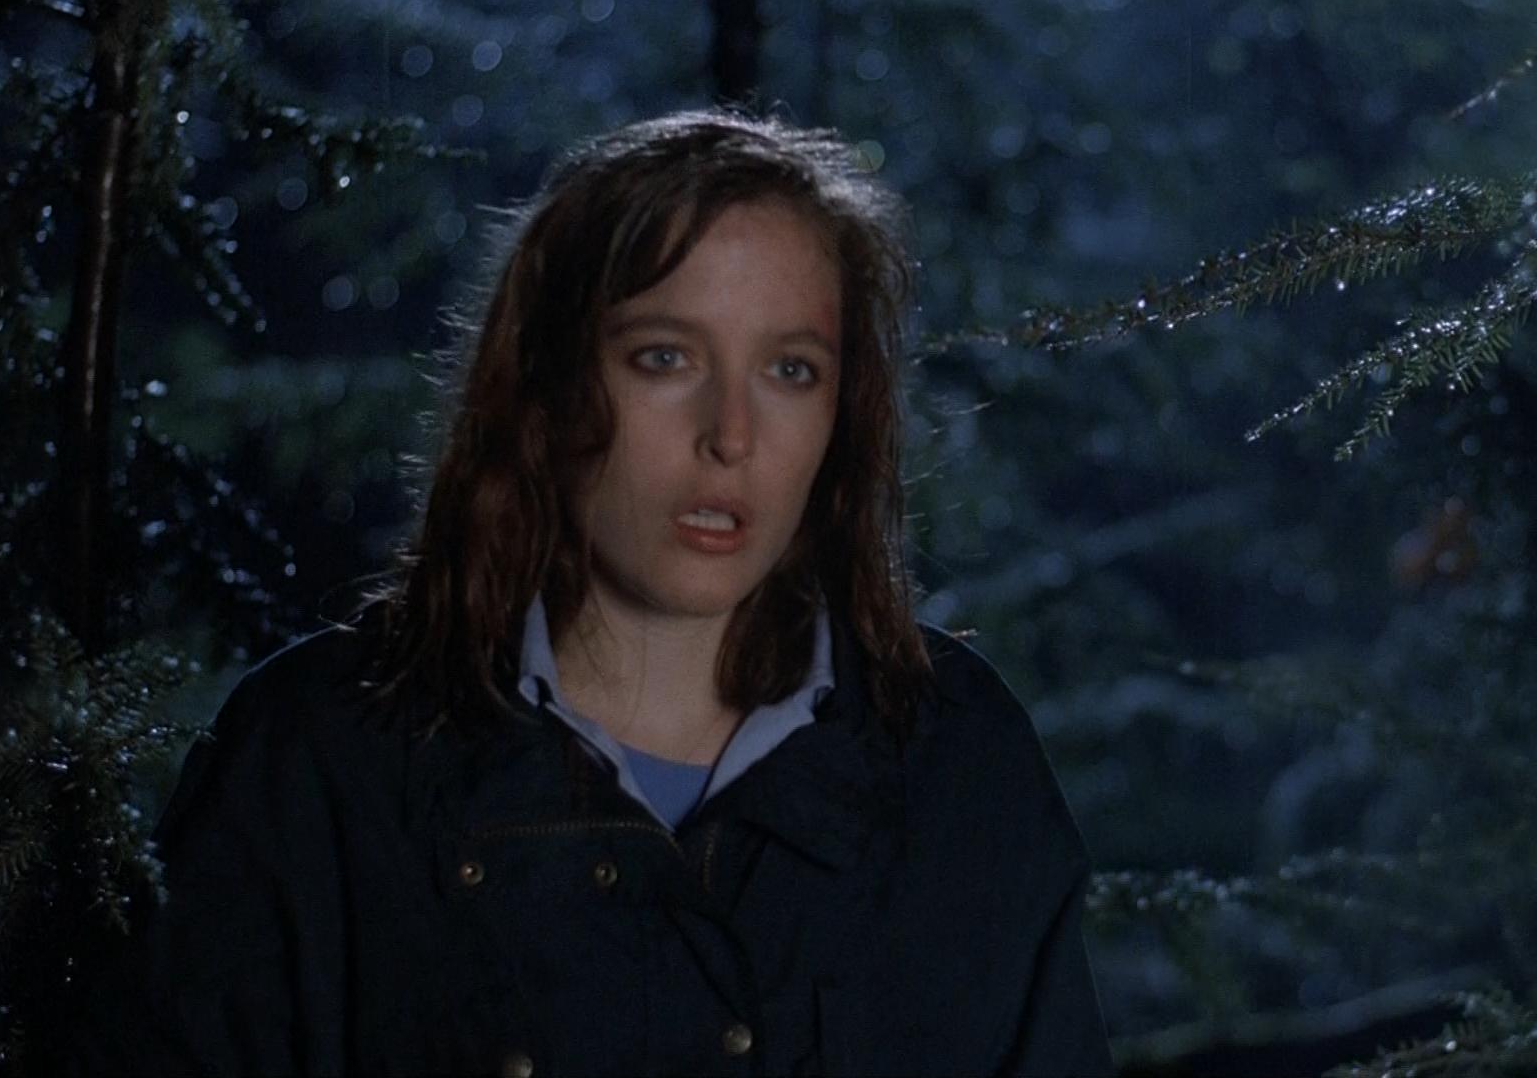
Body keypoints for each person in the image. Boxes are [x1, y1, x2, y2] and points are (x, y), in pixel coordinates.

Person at [67, 106, 1114, 1077]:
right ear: (548, 382)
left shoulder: (957, 761)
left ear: (845, 413)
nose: (731, 436)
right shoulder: (320, 759)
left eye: (790, 370)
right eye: (665, 357)